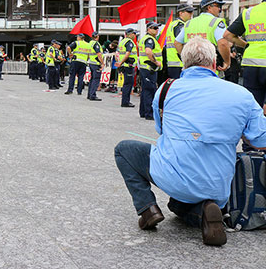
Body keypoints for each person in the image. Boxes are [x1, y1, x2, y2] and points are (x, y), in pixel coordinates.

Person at [114, 37, 266, 246]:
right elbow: (261, 141)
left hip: (175, 178)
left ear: (184, 63)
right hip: (219, 185)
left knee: (124, 150)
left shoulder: (165, 89)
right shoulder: (242, 95)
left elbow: (161, 130)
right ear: (214, 64)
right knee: (184, 203)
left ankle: (147, 209)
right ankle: (208, 210)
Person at [224, 0, 266, 114]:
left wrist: (246, 45)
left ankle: (255, 133)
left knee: (253, 106)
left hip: (251, 65)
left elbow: (228, 35)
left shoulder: (248, 13)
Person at [174, 0, 230, 73]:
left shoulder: (189, 23)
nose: (219, 9)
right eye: (217, 6)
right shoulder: (216, 22)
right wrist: (227, 62)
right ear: (209, 7)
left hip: (191, 69)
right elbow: (223, 43)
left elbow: (177, 43)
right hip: (210, 69)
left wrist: (186, 59)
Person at [138, 22, 163, 120]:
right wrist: (156, 62)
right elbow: (148, 51)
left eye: (157, 28)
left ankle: (143, 112)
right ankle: (149, 114)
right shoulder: (149, 39)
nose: (157, 30)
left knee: (145, 90)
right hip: (150, 69)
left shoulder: (144, 39)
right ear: (148, 29)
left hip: (145, 68)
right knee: (150, 91)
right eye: (155, 28)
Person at [165, 4, 194, 79]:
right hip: (180, 62)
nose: (191, 14)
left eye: (192, 12)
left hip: (173, 62)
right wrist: (185, 58)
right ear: (180, 13)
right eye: (189, 12)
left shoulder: (173, 24)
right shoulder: (180, 25)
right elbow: (180, 42)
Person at [117, 29, 138, 108]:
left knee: (126, 84)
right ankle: (125, 102)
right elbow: (127, 54)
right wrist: (121, 63)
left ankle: (125, 101)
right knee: (128, 84)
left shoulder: (122, 41)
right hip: (128, 65)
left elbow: (118, 54)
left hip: (124, 65)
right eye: (134, 33)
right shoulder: (129, 42)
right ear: (130, 34)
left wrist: (120, 63)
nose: (135, 35)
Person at [87, 32, 104, 101]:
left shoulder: (90, 43)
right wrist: (102, 63)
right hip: (96, 63)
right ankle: (92, 95)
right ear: (97, 36)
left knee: (92, 79)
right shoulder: (96, 44)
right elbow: (99, 54)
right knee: (96, 80)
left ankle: (89, 94)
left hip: (91, 62)